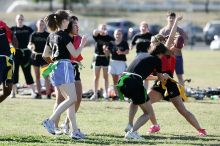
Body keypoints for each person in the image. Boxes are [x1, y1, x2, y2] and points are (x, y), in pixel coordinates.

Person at [42, 10, 87, 139]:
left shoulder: (50, 36)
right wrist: (83, 44)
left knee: (70, 101)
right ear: (63, 21)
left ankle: (75, 131)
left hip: (56, 68)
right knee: (72, 99)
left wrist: (55, 62)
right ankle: (50, 121)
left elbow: (45, 55)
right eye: (68, 20)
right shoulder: (64, 35)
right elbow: (76, 53)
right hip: (65, 67)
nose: (69, 22)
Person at [117, 43, 167, 140]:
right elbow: (161, 79)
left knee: (134, 101)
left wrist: (158, 77)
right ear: (160, 53)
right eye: (163, 55)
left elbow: (144, 75)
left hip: (123, 81)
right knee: (148, 113)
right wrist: (164, 77)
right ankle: (132, 133)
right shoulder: (157, 60)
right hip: (134, 83)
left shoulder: (143, 55)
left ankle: (130, 125)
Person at [53, 15, 85, 135]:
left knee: (77, 98)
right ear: (69, 26)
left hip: (74, 69)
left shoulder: (78, 38)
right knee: (60, 99)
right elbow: (52, 54)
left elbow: (77, 56)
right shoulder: (63, 37)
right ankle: (54, 127)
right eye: (75, 24)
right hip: (63, 69)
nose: (77, 27)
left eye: (78, 24)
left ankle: (67, 124)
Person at [11, 14, 36, 98]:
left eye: (21, 19)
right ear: (16, 20)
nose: (20, 20)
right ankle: (13, 93)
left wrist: (32, 46)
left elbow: (34, 38)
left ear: (23, 20)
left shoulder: (28, 29)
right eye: (19, 19)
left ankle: (33, 92)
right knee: (14, 73)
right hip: (15, 54)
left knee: (27, 72)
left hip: (25, 54)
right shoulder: (12, 29)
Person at [159, 12, 188, 86]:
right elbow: (160, 44)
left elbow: (185, 41)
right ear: (167, 18)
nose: (171, 19)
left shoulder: (180, 30)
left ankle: (182, 94)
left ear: (175, 19)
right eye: (170, 17)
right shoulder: (163, 31)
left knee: (180, 77)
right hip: (167, 57)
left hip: (177, 56)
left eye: (173, 17)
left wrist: (181, 44)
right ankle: (165, 93)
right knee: (166, 76)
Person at [90, 24, 115, 100]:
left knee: (105, 77)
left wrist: (108, 51)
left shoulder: (108, 38)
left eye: (105, 28)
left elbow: (113, 44)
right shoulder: (97, 36)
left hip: (105, 58)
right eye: (102, 28)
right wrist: (101, 31)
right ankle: (95, 94)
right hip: (97, 58)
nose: (103, 30)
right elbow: (94, 32)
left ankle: (106, 94)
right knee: (96, 77)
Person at [103, 29, 129, 99]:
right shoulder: (111, 43)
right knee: (115, 80)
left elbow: (127, 51)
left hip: (121, 62)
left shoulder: (124, 43)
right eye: (116, 34)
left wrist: (122, 53)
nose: (118, 35)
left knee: (122, 80)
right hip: (113, 63)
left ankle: (123, 94)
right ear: (114, 35)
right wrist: (105, 51)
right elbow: (107, 53)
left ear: (122, 35)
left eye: (119, 34)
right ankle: (116, 95)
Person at [28, 19, 51, 99]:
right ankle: (39, 94)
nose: (41, 26)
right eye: (40, 24)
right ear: (37, 25)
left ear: (45, 25)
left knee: (46, 76)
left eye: (42, 24)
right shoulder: (33, 34)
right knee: (37, 76)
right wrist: (30, 46)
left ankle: (48, 94)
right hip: (35, 57)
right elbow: (30, 44)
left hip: (45, 57)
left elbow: (51, 45)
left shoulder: (48, 35)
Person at [130, 21, 152, 90]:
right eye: (142, 26)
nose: (143, 28)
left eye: (145, 26)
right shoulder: (137, 36)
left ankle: (145, 92)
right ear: (140, 27)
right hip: (138, 56)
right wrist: (131, 46)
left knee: (146, 76)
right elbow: (131, 46)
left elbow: (154, 45)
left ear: (147, 28)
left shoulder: (150, 36)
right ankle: (138, 90)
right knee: (137, 74)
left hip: (147, 56)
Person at [0, 20, 15, 103]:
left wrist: (13, 37)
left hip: (8, 61)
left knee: (8, 91)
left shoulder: (2, 24)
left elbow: (11, 35)